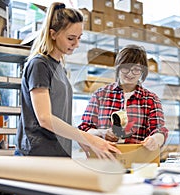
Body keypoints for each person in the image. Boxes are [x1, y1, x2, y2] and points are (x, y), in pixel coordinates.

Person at [14, 2, 120, 159]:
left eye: (79, 38)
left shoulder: (59, 68)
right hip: (37, 156)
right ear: (53, 34)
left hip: (58, 153)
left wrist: (87, 137)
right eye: (71, 38)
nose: (76, 44)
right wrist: (88, 139)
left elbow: (59, 117)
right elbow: (45, 118)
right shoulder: (39, 65)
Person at [78, 45, 168, 151]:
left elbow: (159, 130)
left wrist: (155, 139)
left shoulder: (151, 99)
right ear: (118, 68)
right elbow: (84, 129)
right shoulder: (100, 95)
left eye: (136, 69)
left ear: (142, 72)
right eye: (126, 68)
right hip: (104, 159)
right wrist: (102, 133)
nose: (130, 74)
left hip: (136, 160)